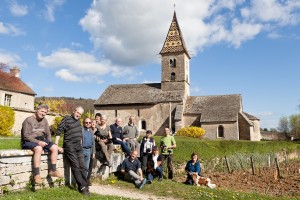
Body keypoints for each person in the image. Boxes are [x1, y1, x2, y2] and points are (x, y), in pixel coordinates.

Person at [21, 104, 63, 184]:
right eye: (42, 111)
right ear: (37, 110)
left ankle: (53, 170)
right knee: (39, 148)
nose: (43, 113)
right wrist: (38, 142)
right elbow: (25, 136)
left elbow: (48, 134)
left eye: (45, 112)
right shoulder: (28, 120)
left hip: (41, 140)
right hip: (28, 141)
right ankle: (36, 175)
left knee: (54, 147)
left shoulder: (45, 120)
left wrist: (49, 143)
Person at [55, 106, 89, 195]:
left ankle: (86, 185)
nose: (78, 115)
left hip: (78, 146)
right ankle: (81, 187)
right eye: (78, 113)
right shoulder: (66, 118)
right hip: (69, 146)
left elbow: (80, 134)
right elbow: (59, 130)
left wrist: (81, 144)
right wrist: (56, 144)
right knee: (75, 166)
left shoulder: (78, 121)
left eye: (80, 114)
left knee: (83, 167)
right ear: (74, 111)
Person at [82, 117, 95, 184]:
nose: (88, 124)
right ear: (84, 123)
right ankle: (80, 182)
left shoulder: (91, 131)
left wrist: (93, 152)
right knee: (82, 167)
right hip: (82, 150)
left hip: (89, 150)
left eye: (89, 122)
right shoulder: (81, 130)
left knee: (87, 167)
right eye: (86, 122)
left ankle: (85, 181)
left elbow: (93, 143)